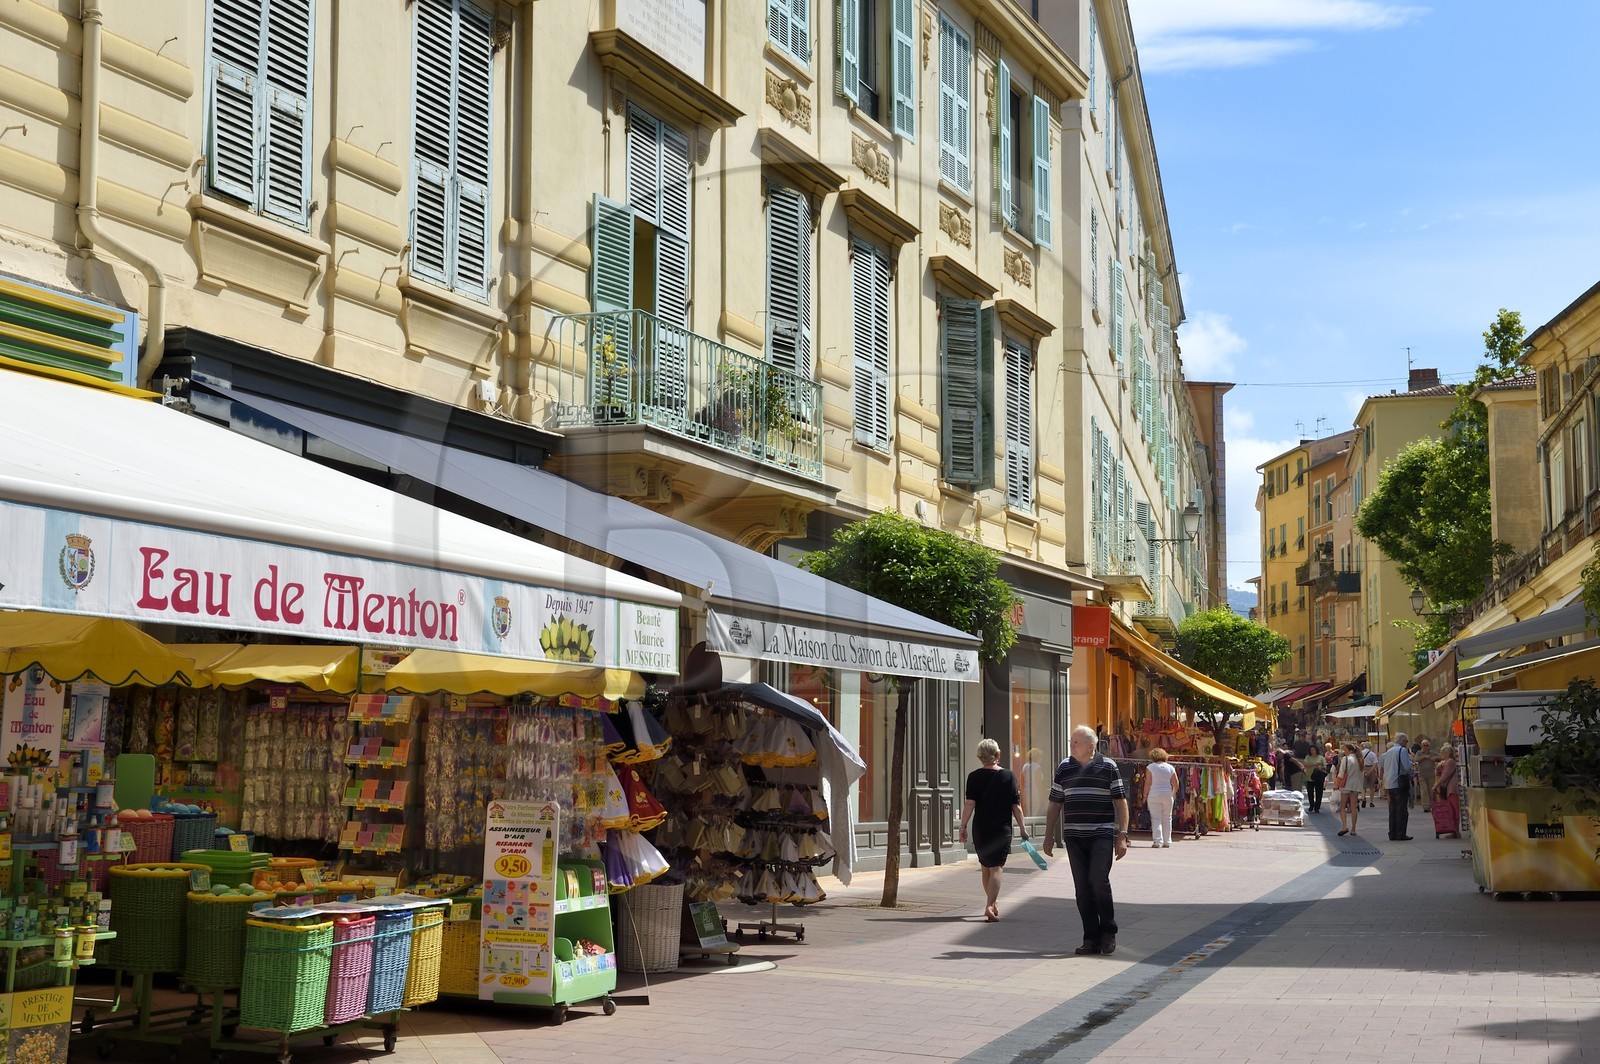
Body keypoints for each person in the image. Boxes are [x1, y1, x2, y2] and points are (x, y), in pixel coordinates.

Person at [1044, 725, 1130, 956]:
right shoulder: (1064, 767)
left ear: (1091, 746)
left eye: (1075, 743)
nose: (1071, 746)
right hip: (1074, 835)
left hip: (1101, 833)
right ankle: (1090, 938)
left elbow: (1120, 801)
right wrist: (1048, 834)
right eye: (1071, 742)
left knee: (1098, 880)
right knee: (1082, 888)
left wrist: (1122, 835)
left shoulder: (1108, 766)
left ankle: (1108, 932)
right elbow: (1055, 803)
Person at [958, 738, 1027, 922]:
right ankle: (989, 906)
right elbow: (1016, 806)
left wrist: (963, 826)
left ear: (980, 757)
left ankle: (993, 903)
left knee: (985, 867)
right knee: (996, 867)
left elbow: (969, 804)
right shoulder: (1008, 776)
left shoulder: (973, 776)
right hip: (1001, 830)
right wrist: (1023, 828)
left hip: (981, 828)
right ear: (997, 755)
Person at [1381, 732, 1415, 840]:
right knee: (1401, 809)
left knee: (1393, 809)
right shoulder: (1402, 750)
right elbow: (1406, 766)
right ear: (1402, 740)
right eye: (1406, 741)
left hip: (1389, 783)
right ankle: (1400, 833)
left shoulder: (1388, 751)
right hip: (1399, 782)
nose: (1407, 743)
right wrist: (1412, 770)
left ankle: (1392, 832)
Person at [1144, 748, 1178, 848]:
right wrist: (1172, 793)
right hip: (1167, 794)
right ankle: (1167, 841)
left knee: (1156, 818)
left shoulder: (1150, 767)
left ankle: (1157, 841)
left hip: (1154, 794)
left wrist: (1145, 795)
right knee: (1167, 818)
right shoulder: (1170, 767)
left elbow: (1148, 783)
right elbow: (1176, 783)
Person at [1433, 744, 1462, 839]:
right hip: (1448, 789)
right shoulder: (1446, 762)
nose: (1441, 754)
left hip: (1451, 789)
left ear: (1447, 753)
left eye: (1442, 753)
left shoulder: (1450, 762)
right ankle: (1453, 830)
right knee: (1451, 810)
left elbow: (1445, 775)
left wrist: (1436, 785)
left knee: (1453, 809)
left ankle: (1456, 831)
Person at [1334, 742, 1363, 836]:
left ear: (1350, 750)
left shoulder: (1346, 759)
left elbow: (1341, 773)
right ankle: (1353, 829)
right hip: (1356, 785)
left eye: (1345, 750)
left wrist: (1336, 784)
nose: (1344, 752)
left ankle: (1344, 826)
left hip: (1346, 785)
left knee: (1343, 806)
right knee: (1354, 807)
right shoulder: (1360, 759)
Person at [1414, 738, 1439, 812]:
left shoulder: (1432, 753)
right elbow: (1415, 759)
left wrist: (1434, 758)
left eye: (1427, 745)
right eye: (1424, 745)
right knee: (1424, 790)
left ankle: (1433, 805)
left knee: (1431, 790)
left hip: (1431, 774)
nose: (1425, 747)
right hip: (1422, 774)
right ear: (1421, 746)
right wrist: (1424, 757)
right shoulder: (1419, 753)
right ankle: (1426, 806)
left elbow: (1440, 757)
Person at [1303, 742, 1327, 813]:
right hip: (1309, 777)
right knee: (1310, 793)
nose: (1312, 751)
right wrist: (1313, 764)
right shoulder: (1308, 757)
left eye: (1314, 750)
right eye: (1311, 750)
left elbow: (1325, 767)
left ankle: (1317, 807)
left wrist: (1321, 767)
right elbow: (1305, 764)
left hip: (1319, 778)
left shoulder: (1321, 758)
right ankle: (1311, 805)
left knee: (1319, 793)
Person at [1360, 742, 1381, 808]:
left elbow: (1359, 762)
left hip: (1363, 768)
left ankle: (1363, 798)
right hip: (1371, 769)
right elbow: (1375, 763)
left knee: (1363, 786)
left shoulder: (1361, 753)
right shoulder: (1372, 754)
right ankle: (1371, 802)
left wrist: (1363, 770)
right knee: (1372, 787)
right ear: (1370, 747)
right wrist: (1370, 771)